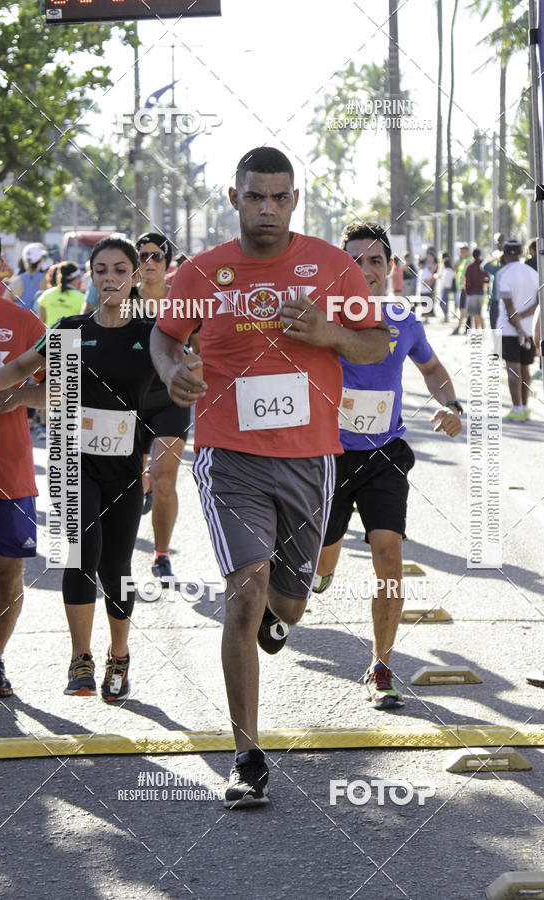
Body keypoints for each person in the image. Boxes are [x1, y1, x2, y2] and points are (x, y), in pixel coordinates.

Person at [150, 147, 390, 808]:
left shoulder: (333, 267)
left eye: (279, 197)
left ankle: (274, 624)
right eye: (255, 197)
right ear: (235, 198)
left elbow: (377, 344)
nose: (267, 209)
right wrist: (173, 368)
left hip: (309, 459)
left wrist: (329, 332)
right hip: (229, 458)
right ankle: (247, 755)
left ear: (293, 200)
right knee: (244, 594)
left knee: (287, 605)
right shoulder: (202, 272)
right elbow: (166, 336)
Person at [0, 236, 157, 700]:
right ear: (90, 276)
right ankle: (81, 659)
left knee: (116, 565)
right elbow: (27, 370)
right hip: (75, 464)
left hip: (125, 467)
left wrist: (157, 456)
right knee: (81, 552)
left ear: (134, 277)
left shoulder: (152, 334)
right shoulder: (70, 329)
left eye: (120, 269)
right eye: (101, 270)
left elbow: (168, 399)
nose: (111, 278)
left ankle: (119, 653)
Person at [313, 222, 462, 709]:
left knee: (388, 555)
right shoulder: (323, 318)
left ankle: (381, 664)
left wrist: (451, 406)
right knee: (323, 561)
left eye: (375, 260)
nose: (365, 270)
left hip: (385, 453)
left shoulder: (403, 318)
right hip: (331, 455)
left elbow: (434, 370)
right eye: (353, 261)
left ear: (390, 268)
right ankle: (317, 573)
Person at [0, 222, 46, 699]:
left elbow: (65, 388)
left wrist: (19, 397)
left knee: (7, 573)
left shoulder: (25, 323)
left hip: (8, 475)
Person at [135, 232, 190, 584]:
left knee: (166, 478)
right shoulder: (122, 299)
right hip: (128, 400)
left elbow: (202, 348)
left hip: (171, 399)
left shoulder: (181, 301)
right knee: (131, 481)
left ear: (167, 263)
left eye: (157, 256)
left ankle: (161, 555)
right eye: (143, 256)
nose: (149, 262)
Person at [496, 239, 539, 421]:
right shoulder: (533, 273)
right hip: (529, 327)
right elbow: (538, 301)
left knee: (513, 369)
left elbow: (508, 306)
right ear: (521, 253)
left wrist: (517, 325)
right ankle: (525, 408)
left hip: (509, 329)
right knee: (526, 368)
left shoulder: (503, 273)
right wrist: (523, 322)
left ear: (505, 254)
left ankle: (517, 408)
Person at [37, 261, 85, 326]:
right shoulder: (82, 298)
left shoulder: (46, 295)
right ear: (76, 278)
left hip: (50, 334)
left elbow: (41, 323)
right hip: (72, 335)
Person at [7, 243, 47, 310]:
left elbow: (5, 304)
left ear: (24, 260)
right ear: (41, 260)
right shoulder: (46, 279)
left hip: (19, 319)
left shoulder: (16, 281)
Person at [464, 248, 488, 330]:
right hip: (481, 292)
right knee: (479, 313)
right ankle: (483, 330)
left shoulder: (470, 267)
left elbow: (467, 281)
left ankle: (478, 332)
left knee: (475, 314)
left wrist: (467, 292)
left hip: (472, 293)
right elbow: (487, 277)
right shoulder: (483, 265)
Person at [451, 244, 472, 335]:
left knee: (463, 308)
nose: (461, 252)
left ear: (467, 251)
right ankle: (465, 327)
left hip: (465, 288)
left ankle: (460, 327)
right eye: (461, 250)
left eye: (463, 250)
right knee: (463, 309)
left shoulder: (468, 260)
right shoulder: (463, 261)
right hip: (462, 288)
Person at [437, 257, 455, 323]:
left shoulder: (446, 271)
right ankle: (446, 317)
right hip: (449, 288)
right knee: (446, 303)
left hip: (445, 288)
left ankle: (446, 316)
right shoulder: (451, 271)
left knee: (441, 303)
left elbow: (443, 281)